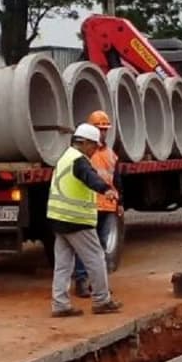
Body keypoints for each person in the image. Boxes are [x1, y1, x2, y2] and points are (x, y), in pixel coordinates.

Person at [49, 123, 122, 317]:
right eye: (94, 146)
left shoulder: (65, 157)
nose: (95, 150)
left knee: (63, 264)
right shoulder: (79, 160)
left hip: (59, 218)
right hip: (76, 220)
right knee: (96, 258)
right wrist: (106, 189)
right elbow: (90, 177)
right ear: (85, 143)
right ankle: (101, 300)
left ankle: (60, 304)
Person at [73, 110, 122, 296]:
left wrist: (120, 202)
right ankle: (82, 280)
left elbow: (116, 179)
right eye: (99, 129)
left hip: (108, 206)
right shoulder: (84, 154)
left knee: (100, 246)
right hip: (90, 205)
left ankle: (96, 283)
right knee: (85, 246)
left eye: (105, 129)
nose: (102, 133)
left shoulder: (111, 154)